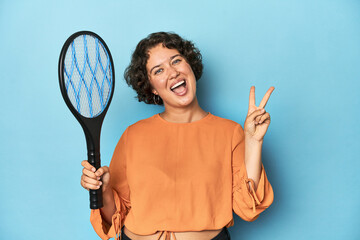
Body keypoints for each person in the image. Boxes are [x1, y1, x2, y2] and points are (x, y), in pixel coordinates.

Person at [80, 32, 275, 240]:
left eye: (176, 61)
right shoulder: (133, 135)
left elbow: (248, 206)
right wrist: (105, 190)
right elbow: (113, 217)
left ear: (189, 65)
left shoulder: (230, 132)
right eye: (159, 70)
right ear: (152, 87)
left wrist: (254, 142)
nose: (172, 72)